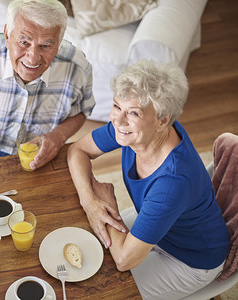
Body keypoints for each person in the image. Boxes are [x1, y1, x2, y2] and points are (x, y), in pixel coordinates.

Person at [67, 59, 230, 299]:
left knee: (103, 291)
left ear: (163, 120)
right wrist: (90, 202)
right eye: (116, 106)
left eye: (133, 112)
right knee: (87, 247)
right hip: (163, 229)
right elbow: (77, 151)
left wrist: (109, 206)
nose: (118, 121)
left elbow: (124, 260)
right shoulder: (135, 130)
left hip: (192, 259)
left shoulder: (172, 183)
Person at [0, 0, 95, 177]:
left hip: (40, 153)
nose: (33, 58)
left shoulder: (78, 67)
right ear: (7, 34)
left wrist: (58, 136)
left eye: (45, 46)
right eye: (24, 42)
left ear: (59, 43)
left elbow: (82, 110)